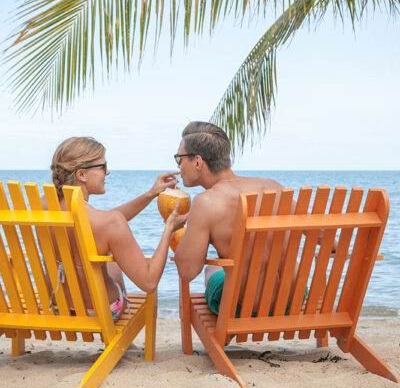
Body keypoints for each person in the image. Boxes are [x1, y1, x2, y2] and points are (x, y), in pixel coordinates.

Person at [48, 136, 186, 321]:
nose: (108, 172)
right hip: (101, 310)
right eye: (103, 167)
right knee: (113, 262)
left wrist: (151, 194)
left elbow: (105, 222)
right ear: (82, 174)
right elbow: (149, 283)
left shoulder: (44, 205)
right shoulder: (107, 223)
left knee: (105, 253)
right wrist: (169, 229)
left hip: (59, 306)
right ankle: (122, 342)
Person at [174, 121, 294, 316]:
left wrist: (173, 228)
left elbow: (187, 271)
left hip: (248, 306)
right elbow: (325, 239)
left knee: (211, 271)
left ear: (197, 162)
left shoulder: (206, 203)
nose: (179, 166)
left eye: (179, 158)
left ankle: (223, 337)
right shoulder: (275, 187)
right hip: (294, 297)